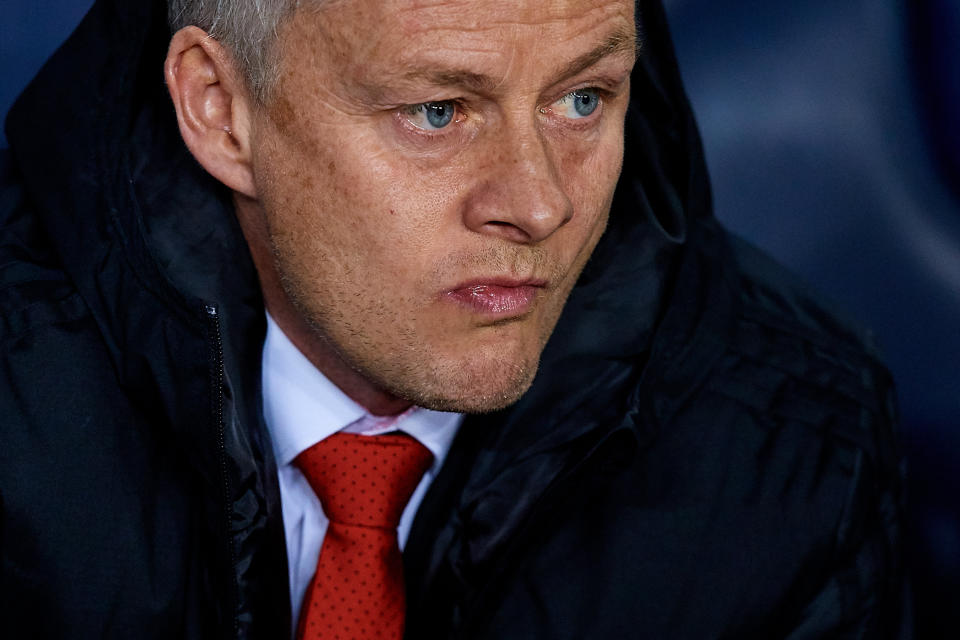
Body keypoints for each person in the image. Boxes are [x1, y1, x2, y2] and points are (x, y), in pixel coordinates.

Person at [0, 0, 910, 637]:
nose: (540, 204)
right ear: (221, 109)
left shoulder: (796, 449)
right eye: (438, 112)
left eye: (583, 99)